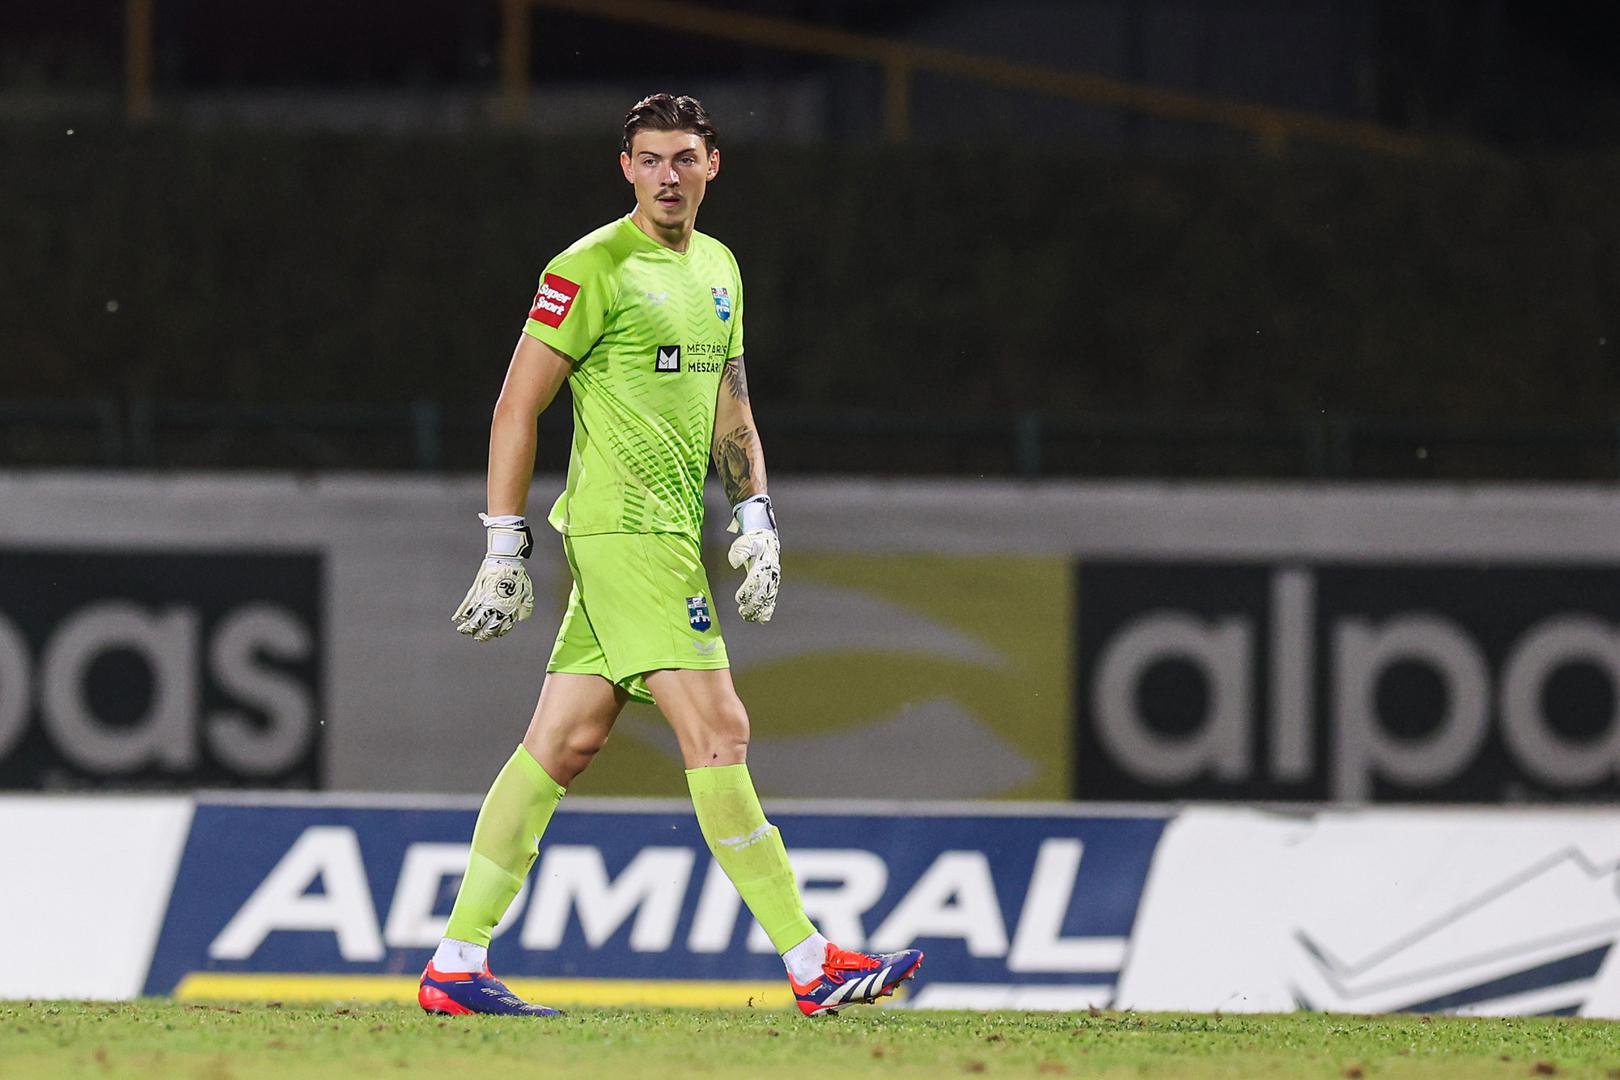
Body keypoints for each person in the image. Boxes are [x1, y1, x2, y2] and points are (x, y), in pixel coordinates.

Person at [416, 93, 923, 1019]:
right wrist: (503, 540)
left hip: (670, 536)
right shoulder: (589, 267)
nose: (667, 177)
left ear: (713, 165)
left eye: (684, 158)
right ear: (625, 168)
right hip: (623, 534)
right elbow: (516, 404)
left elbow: (732, 403)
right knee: (720, 730)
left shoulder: (721, 267)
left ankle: (455, 961)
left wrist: (756, 514)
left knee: (562, 743)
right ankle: (812, 961)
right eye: (649, 160)